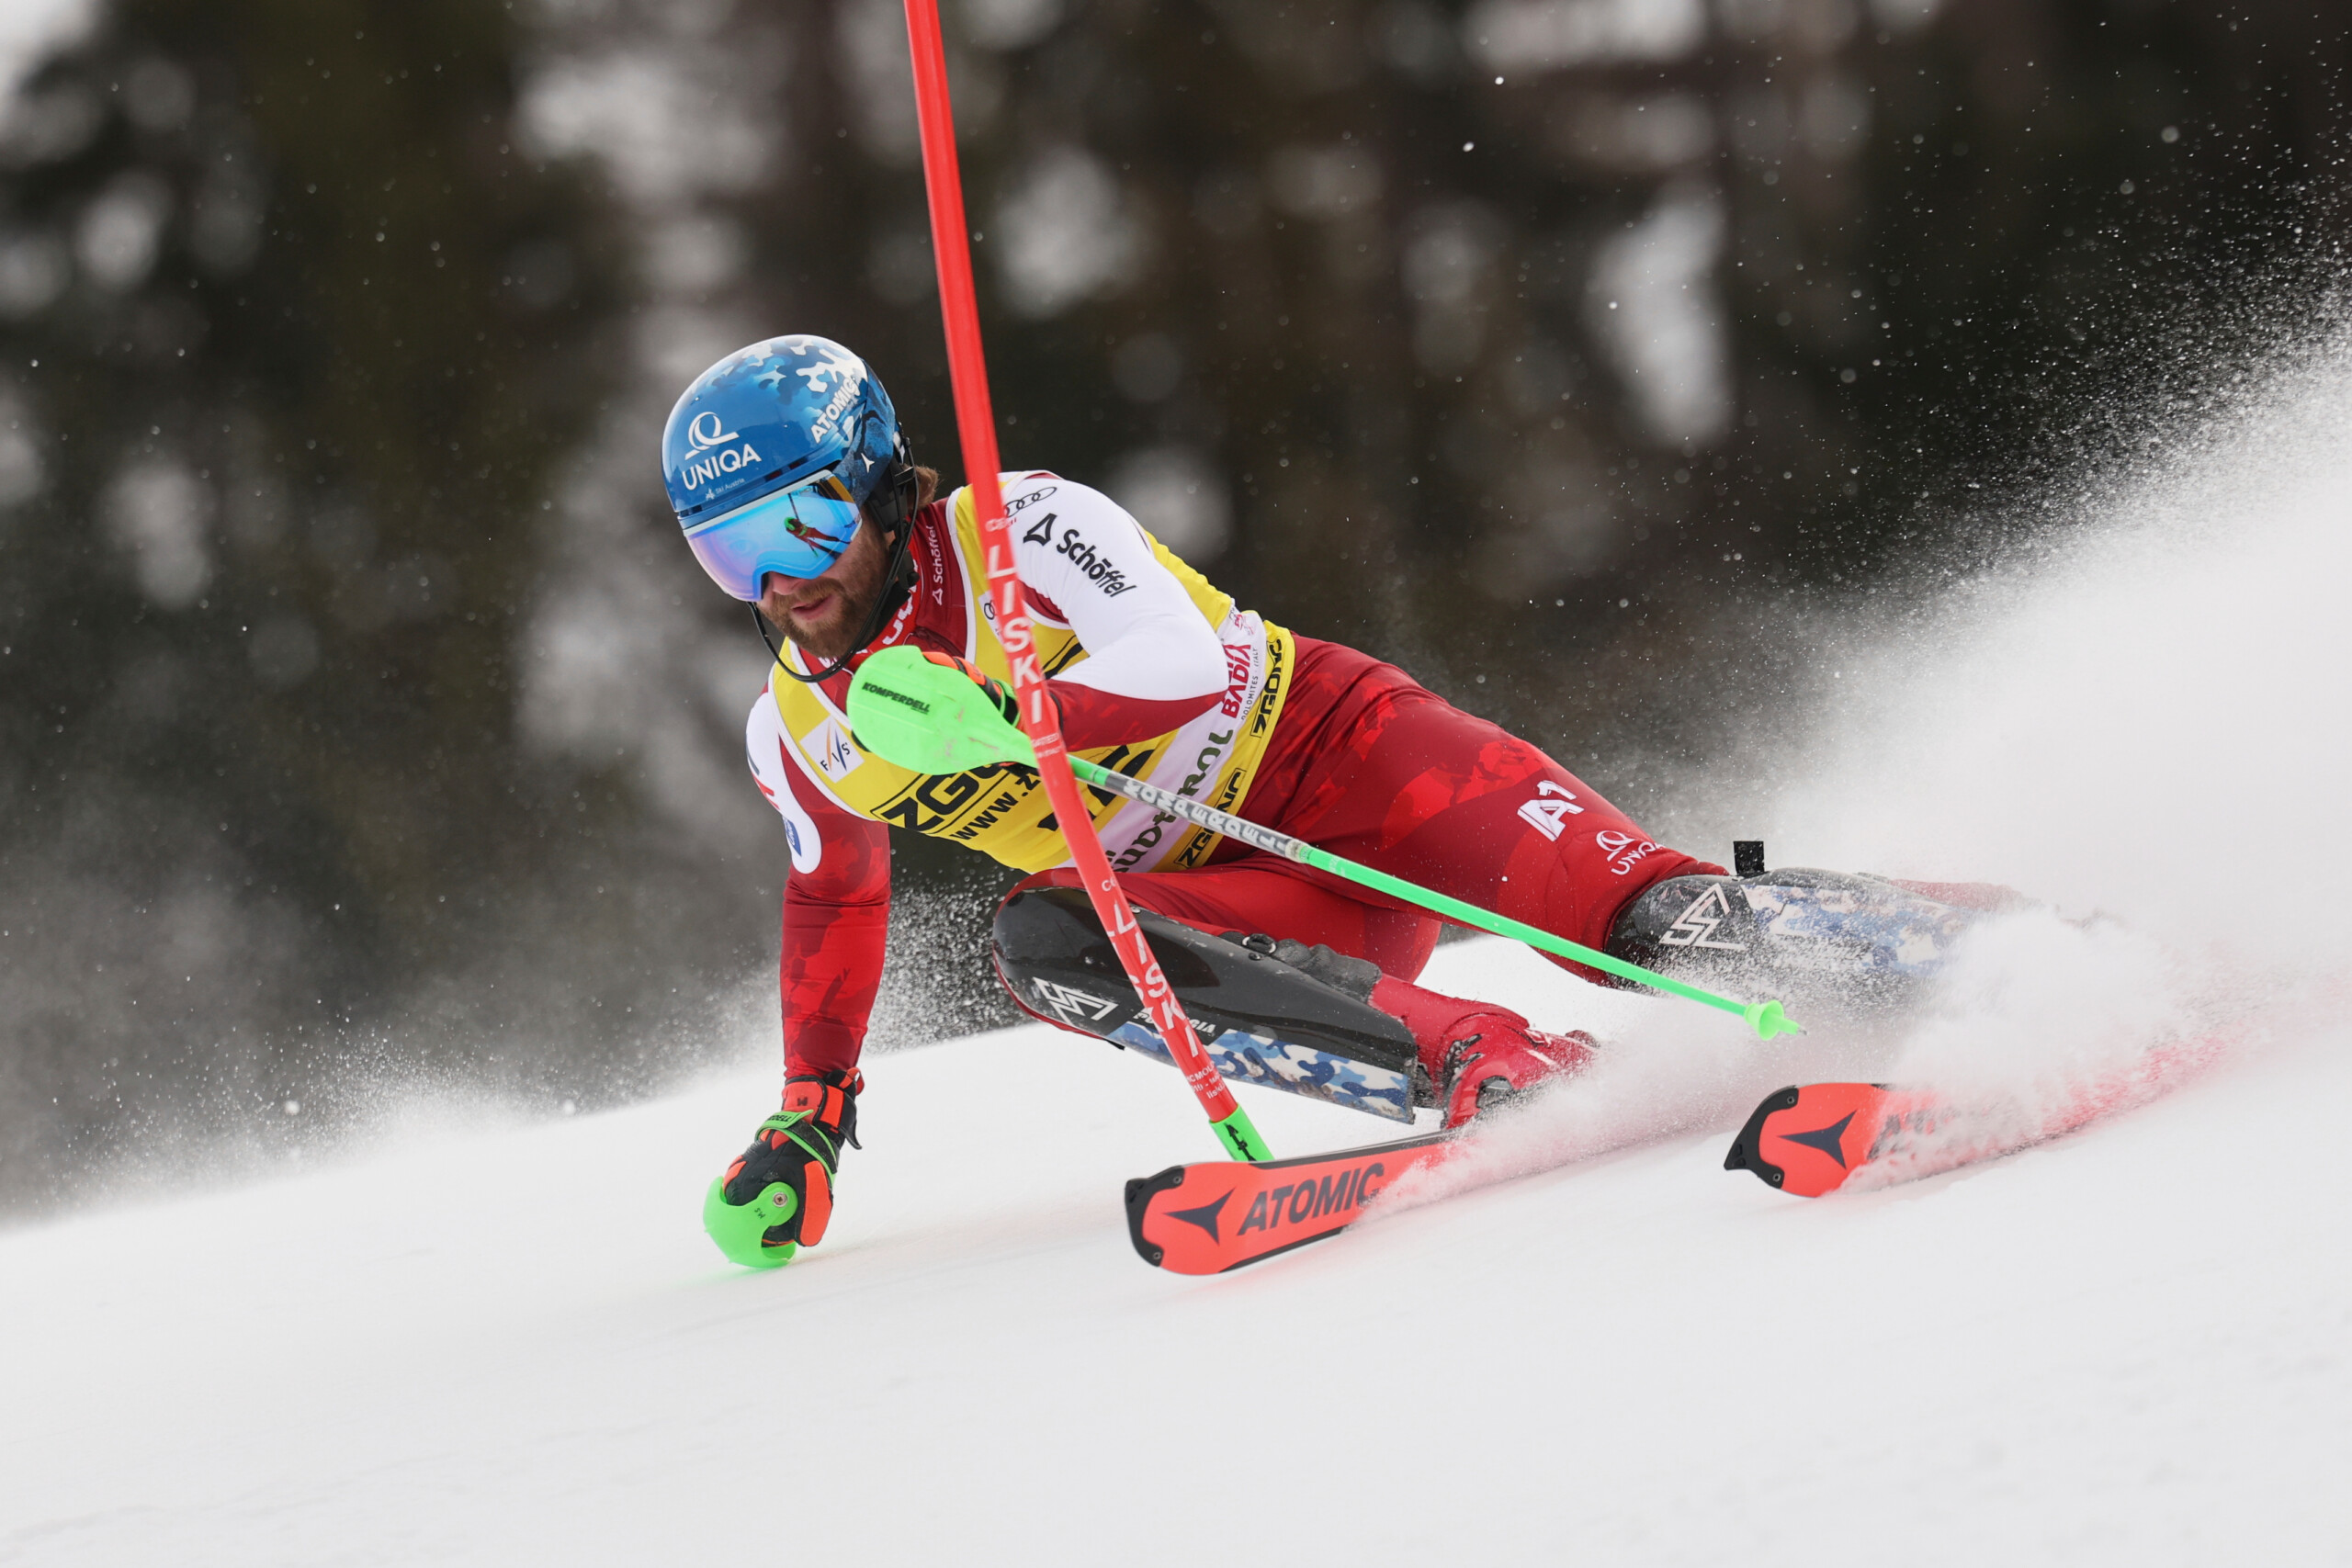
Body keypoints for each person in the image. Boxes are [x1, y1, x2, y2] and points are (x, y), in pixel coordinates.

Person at [673, 335, 1994, 1267]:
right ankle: (1491, 1063)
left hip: (1346, 755)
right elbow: (833, 897)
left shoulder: (1019, 531)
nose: (782, 584)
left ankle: (1994, 953)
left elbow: (1182, 662)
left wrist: (1021, 707)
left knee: (1646, 927)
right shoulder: (798, 734)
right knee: (1043, 937)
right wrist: (811, 1110)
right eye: (732, 554)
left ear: (876, 483)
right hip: (1257, 906)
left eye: (802, 525)